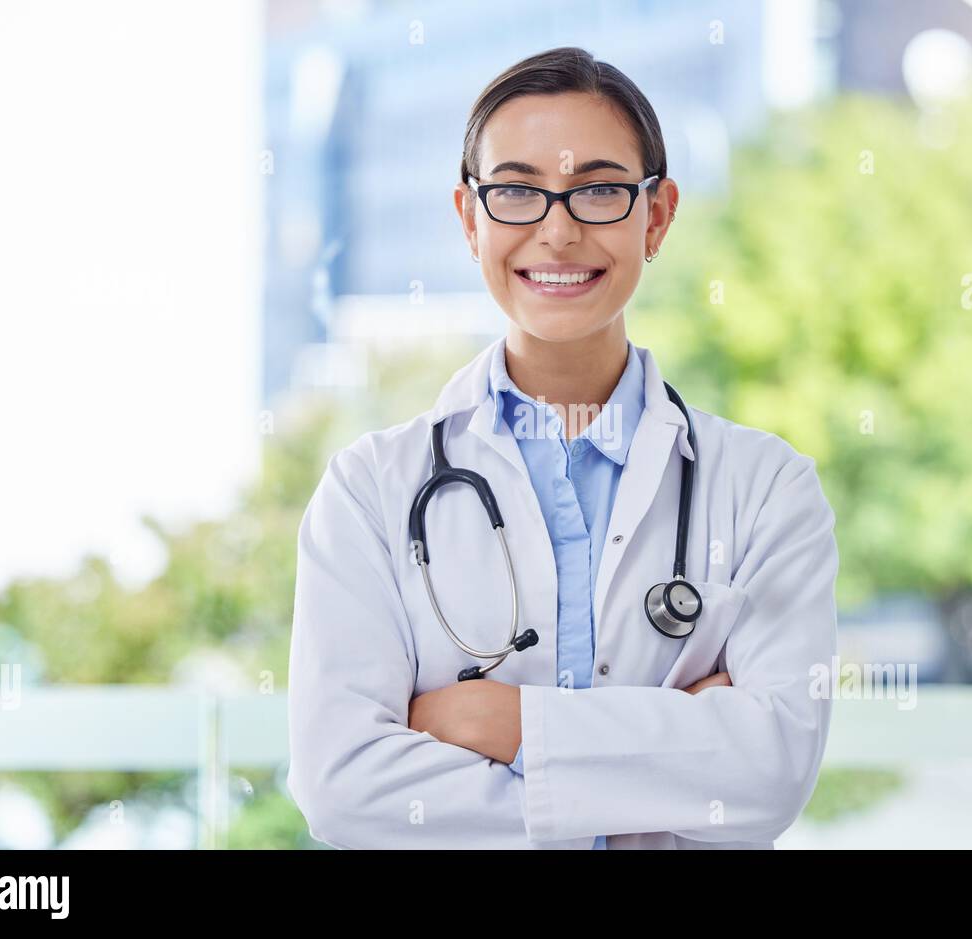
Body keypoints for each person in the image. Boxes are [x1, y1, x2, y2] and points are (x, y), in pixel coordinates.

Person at [287, 46, 839, 849]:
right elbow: (343, 792)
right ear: (469, 217)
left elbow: (769, 773)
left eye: (600, 190)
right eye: (515, 191)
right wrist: (666, 756)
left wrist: (501, 722)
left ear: (655, 216)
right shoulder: (370, 491)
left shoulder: (764, 487)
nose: (557, 229)